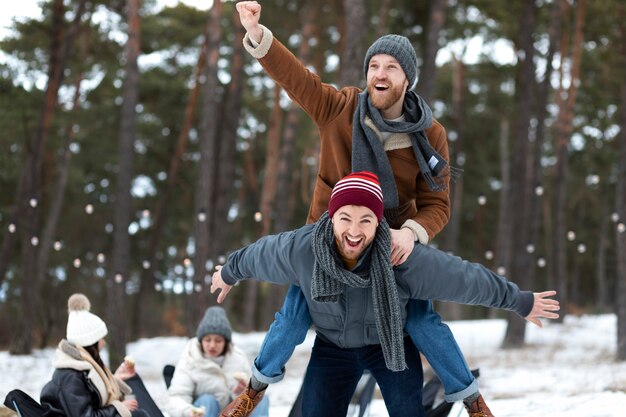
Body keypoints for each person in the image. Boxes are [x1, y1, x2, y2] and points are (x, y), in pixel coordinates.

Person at [229, 2, 488, 416]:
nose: (380, 74)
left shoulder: (430, 135)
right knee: (293, 318)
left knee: (421, 321)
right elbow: (298, 79)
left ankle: (471, 399)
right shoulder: (341, 108)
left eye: (391, 67)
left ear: (407, 78)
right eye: (374, 66)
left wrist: (412, 233)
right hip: (326, 245)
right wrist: (258, 36)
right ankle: (253, 393)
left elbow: (438, 204)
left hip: (391, 251)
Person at [212, 172, 560, 417]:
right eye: (345, 217)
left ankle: (473, 403)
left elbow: (464, 279)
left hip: (389, 346)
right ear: (331, 217)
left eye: (366, 220)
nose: (353, 230)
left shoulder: (400, 256)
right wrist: (229, 272)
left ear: (379, 223)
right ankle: (253, 394)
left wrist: (519, 301)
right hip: (332, 348)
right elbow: (258, 255)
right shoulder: (303, 250)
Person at [40, 293, 163, 417]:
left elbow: (92, 391)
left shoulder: (82, 366)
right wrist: (119, 408)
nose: (104, 343)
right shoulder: (71, 375)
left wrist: (117, 378)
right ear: (90, 342)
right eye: (101, 339)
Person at [165, 306, 269, 417]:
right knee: (207, 401)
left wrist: (242, 392)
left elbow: (250, 396)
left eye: (218, 340)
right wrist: (189, 412)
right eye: (207, 340)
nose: (212, 345)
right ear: (201, 341)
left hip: (232, 414)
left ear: (226, 342)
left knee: (259, 399)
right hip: (202, 413)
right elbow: (176, 398)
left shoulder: (238, 358)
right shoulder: (190, 359)